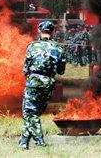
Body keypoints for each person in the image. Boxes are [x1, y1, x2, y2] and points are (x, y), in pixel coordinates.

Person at [18, 20, 66, 150]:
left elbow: (25, 69)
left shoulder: (32, 46)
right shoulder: (59, 48)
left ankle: (40, 142)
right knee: (34, 113)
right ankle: (23, 142)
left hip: (33, 81)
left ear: (39, 30)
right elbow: (61, 71)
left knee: (29, 113)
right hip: (48, 83)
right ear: (54, 31)